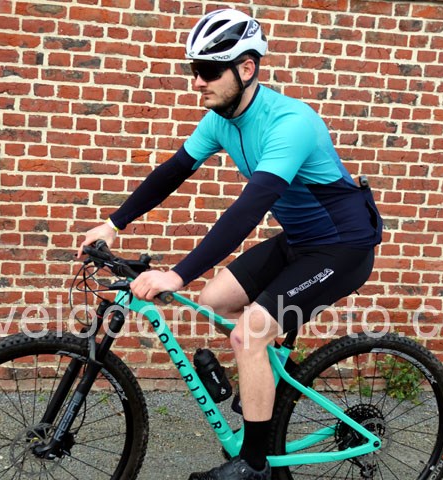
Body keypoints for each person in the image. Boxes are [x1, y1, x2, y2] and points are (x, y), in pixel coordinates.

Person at [78, 8, 383, 480]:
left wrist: (176, 274)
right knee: (214, 300)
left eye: (208, 70)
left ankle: (255, 465)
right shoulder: (220, 120)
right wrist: (113, 223)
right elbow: (173, 171)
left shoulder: (291, 122)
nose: (197, 81)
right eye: (193, 70)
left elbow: (248, 209)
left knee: (248, 333)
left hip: (343, 247)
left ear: (247, 68)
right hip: (300, 240)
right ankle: (267, 382)